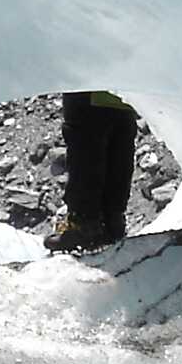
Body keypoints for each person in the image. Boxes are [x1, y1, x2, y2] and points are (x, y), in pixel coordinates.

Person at [45, 90, 139, 252]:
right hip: (123, 93)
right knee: (119, 149)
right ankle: (112, 223)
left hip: (89, 89)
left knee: (85, 153)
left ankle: (84, 225)